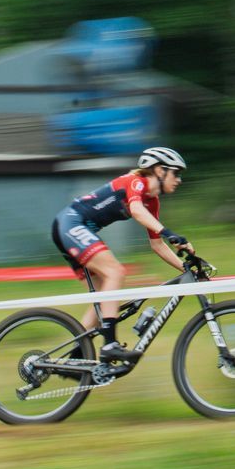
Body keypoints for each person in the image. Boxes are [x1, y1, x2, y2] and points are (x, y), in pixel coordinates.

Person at [51, 146, 192, 362]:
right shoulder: (136, 182)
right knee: (115, 273)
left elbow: (158, 245)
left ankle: (74, 358)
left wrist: (188, 269)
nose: (179, 179)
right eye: (176, 173)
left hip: (75, 228)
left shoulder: (152, 202)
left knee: (105, 302)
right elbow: (136, 210)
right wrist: (169, 232)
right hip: (71, 223)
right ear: (159, 170)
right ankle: (109, 346)